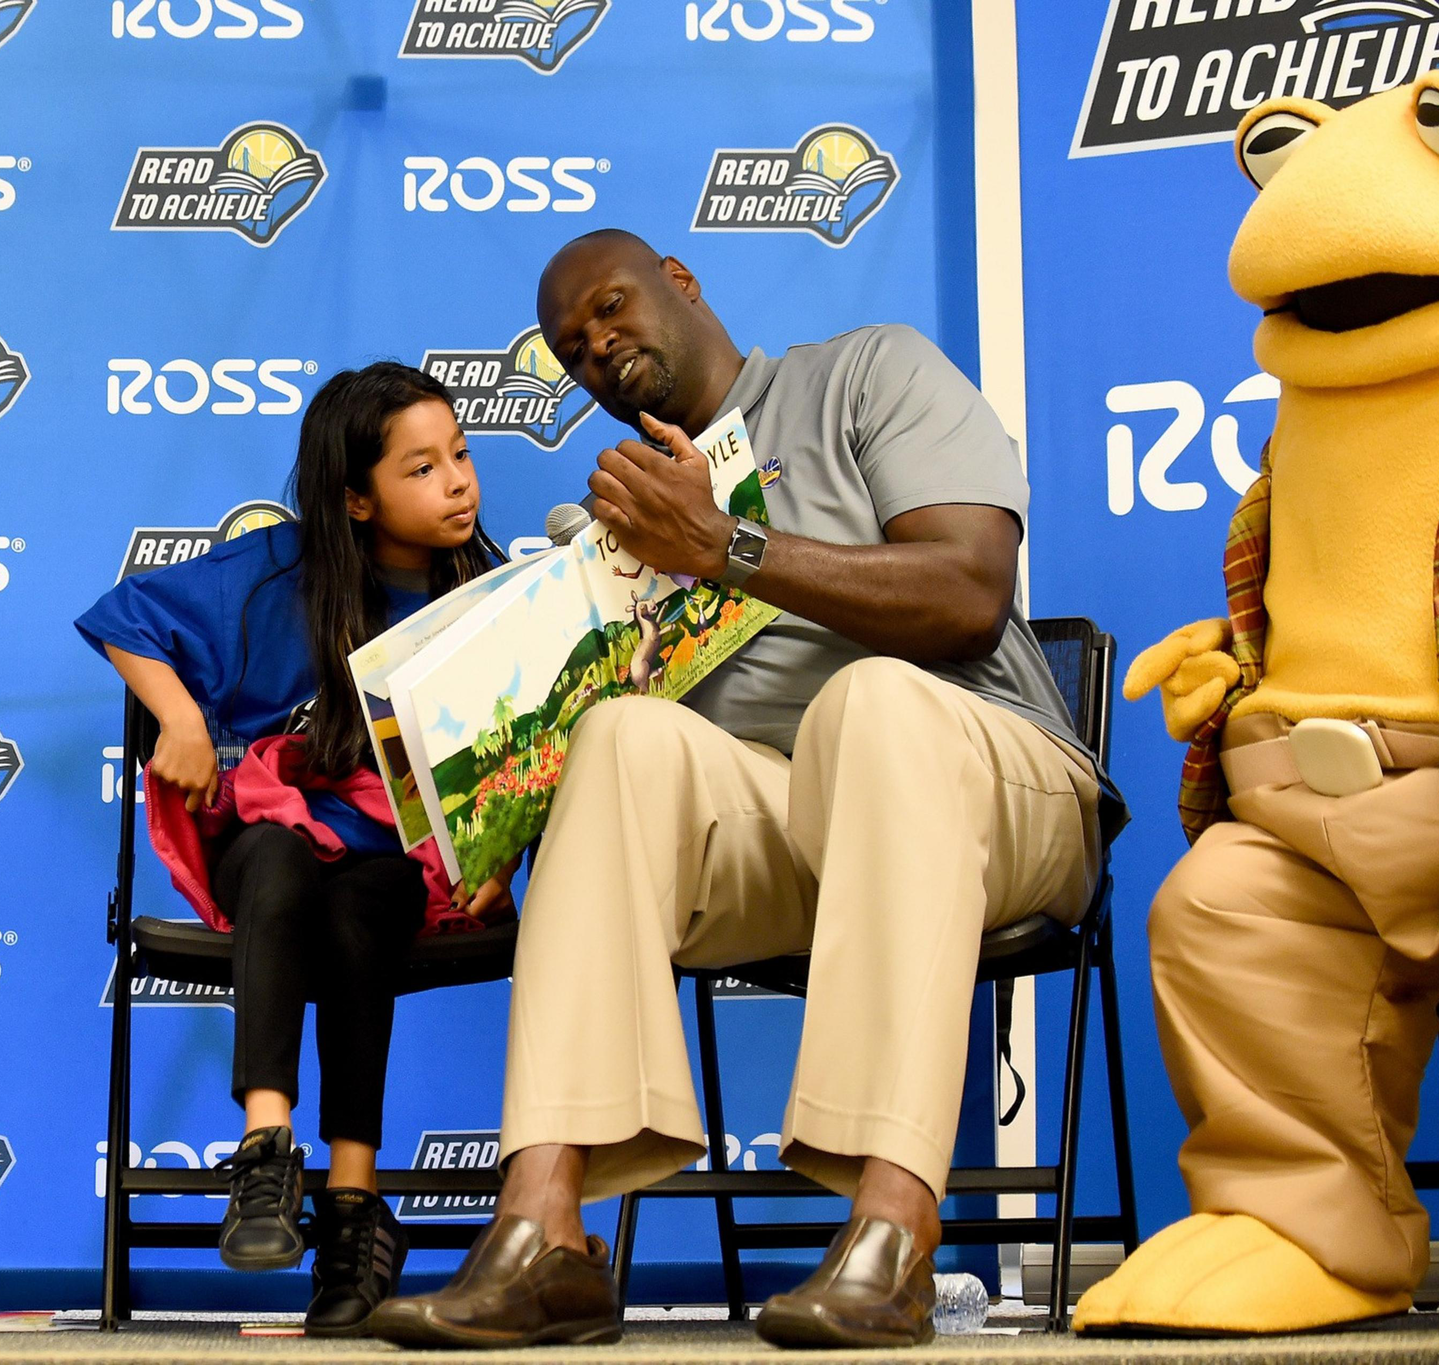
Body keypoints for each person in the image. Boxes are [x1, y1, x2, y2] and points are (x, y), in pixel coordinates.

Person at [367, 230, 1123, 1350]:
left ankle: (893, 1230)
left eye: (612, 307)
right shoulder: (615, 528)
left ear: (681, 283)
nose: (598, 344)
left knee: (872, 704)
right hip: (795, 835)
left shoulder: (867, 370)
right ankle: (545, 1234)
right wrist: (503, 826)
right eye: (572, 348)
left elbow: (968, 592)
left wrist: (725, 547)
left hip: (989, 782)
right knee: (621, 740)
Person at [76, 362, 512, 1336]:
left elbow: (519, 761)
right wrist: (182, 721)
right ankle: (265, 1151)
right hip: (266, 847)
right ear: (355, 500)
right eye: (421, 467)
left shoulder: (488, 595)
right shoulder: (277, 571)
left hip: (403, 868)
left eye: (460, 456)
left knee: (363, 899)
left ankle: (352, 1210)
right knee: (276, 851)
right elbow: (125, 620)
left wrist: (498, 860)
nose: (457, 483)